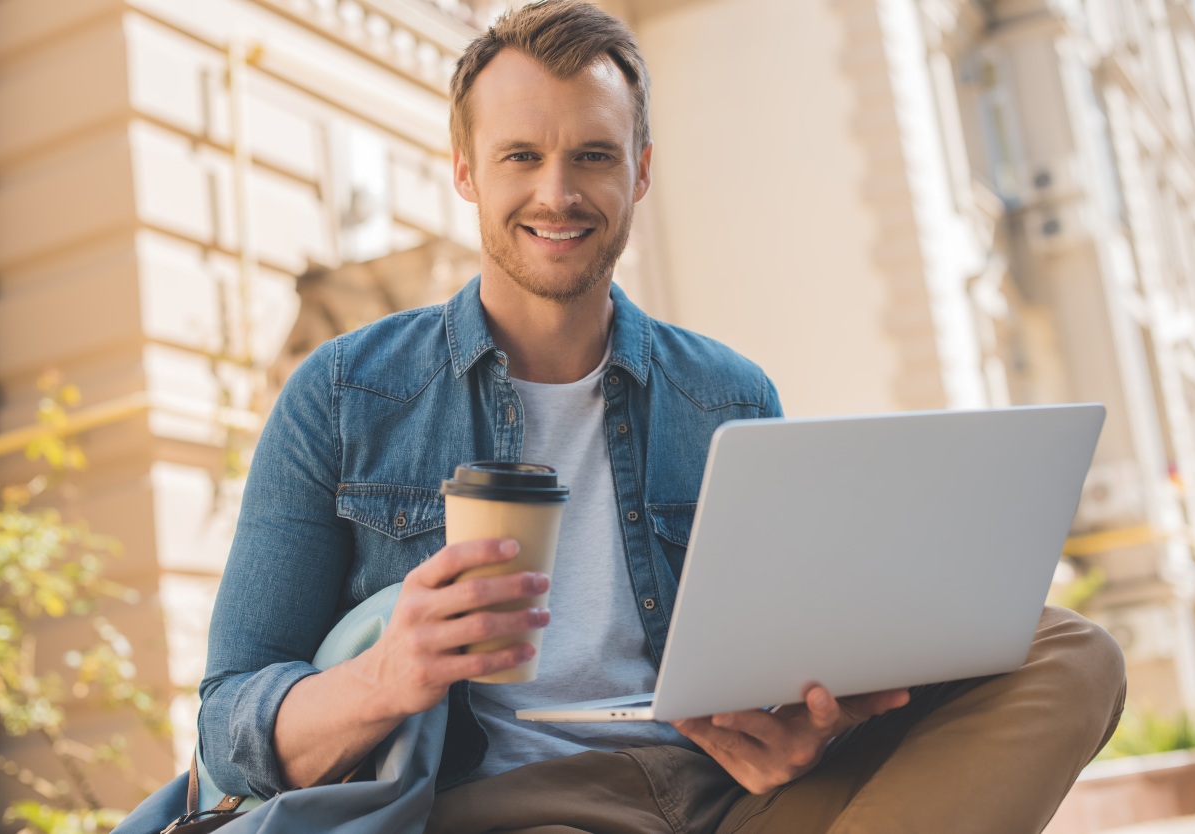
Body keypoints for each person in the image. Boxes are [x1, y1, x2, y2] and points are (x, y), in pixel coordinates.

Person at [198, 1, 1126, 831]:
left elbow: (782, 652)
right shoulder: (347, 392)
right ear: (466, 173)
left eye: (592, 156)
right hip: (509, 811)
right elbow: (227, 723)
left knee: (1071, 654)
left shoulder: (727, 396)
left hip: (731, 798)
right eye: (521, 156)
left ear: (639, 173)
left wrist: (803, 722)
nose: (556, 193)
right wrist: (386, 676)